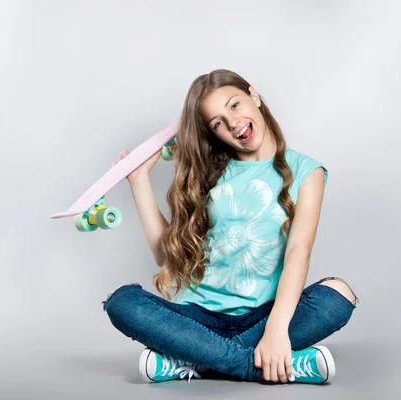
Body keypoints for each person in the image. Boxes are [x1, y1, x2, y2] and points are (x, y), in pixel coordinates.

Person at [102, 69, 359, 384]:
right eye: (217, 123)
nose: (232, 122)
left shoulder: (307, 171)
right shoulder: (208, 174)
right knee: (121, 302)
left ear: (254, 95)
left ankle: (194, 359)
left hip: (266, 316)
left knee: (338, 295)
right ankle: (265, 366)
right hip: (198, 319)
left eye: (234, 105)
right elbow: (165, 255)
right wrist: (139, 180)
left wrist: (277, 331)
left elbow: (298, 251)